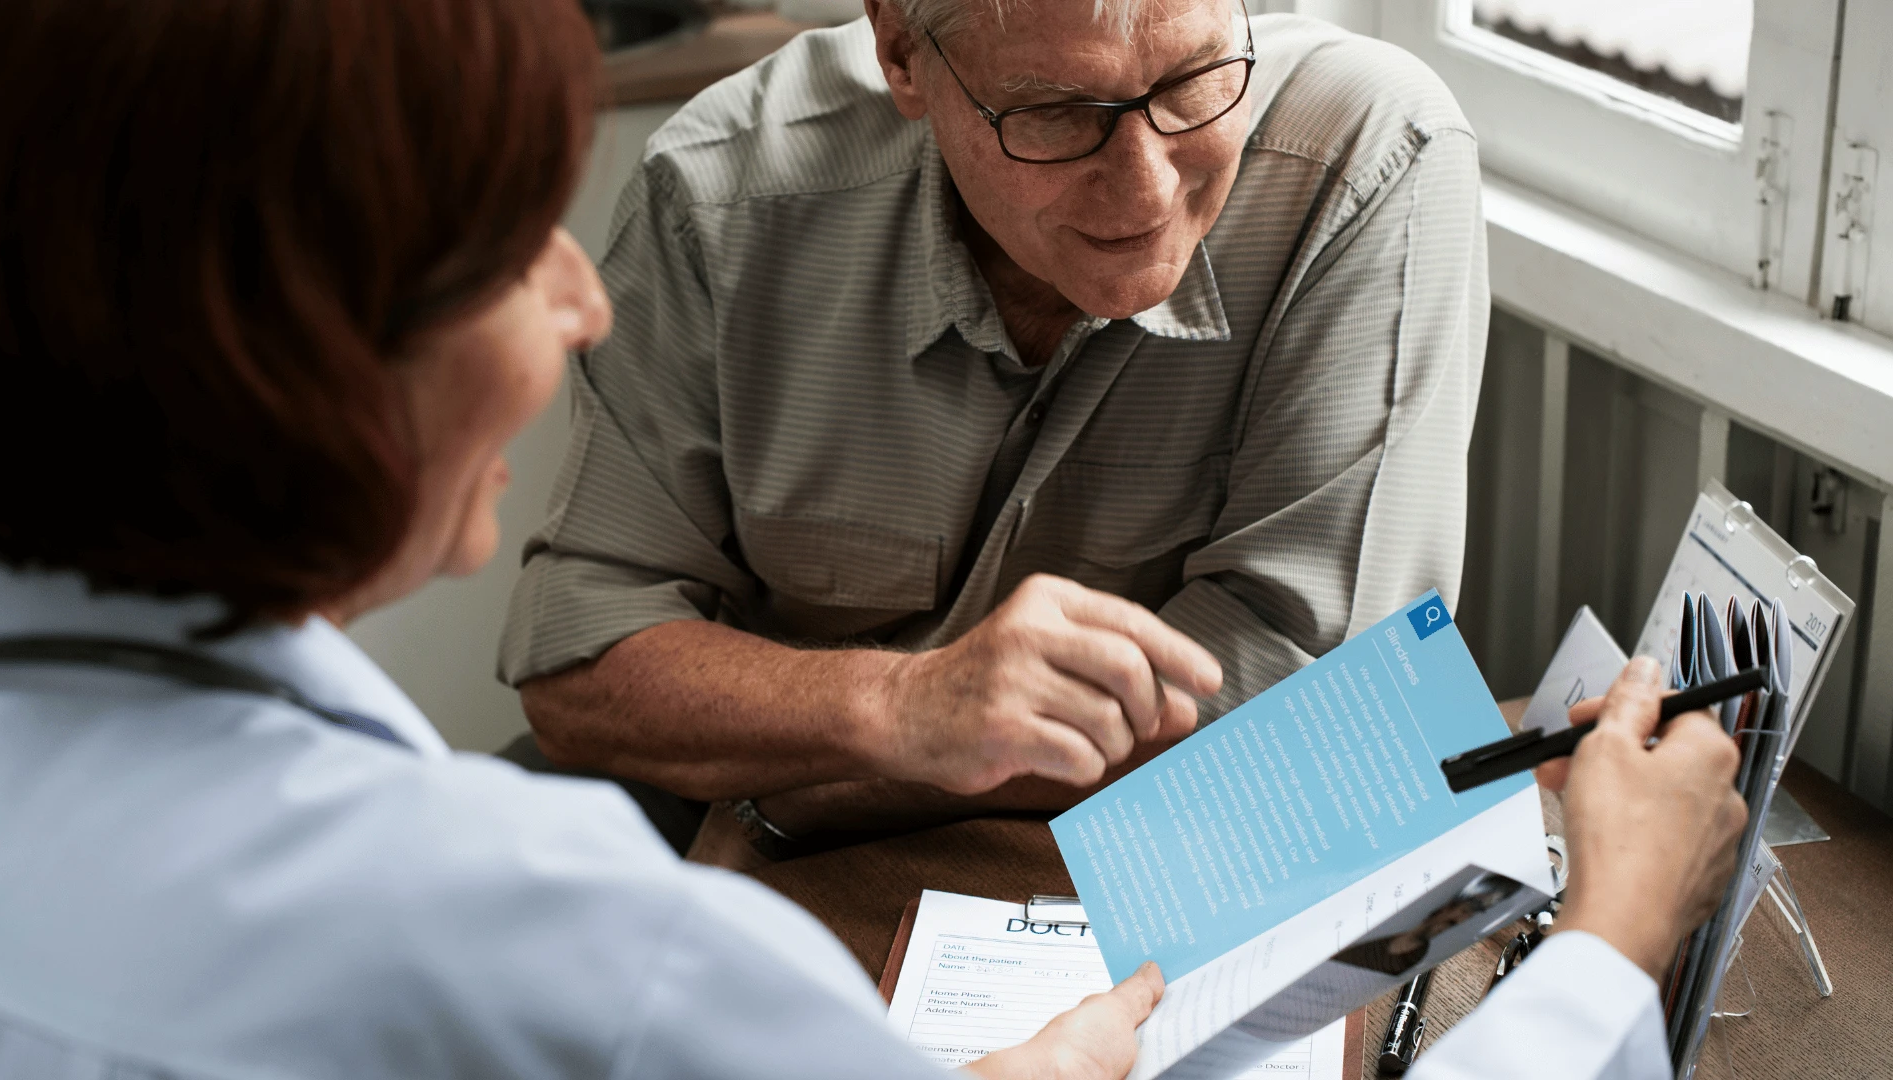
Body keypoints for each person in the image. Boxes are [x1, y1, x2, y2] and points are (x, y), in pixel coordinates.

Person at [0, 3, 1746, 1080]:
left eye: (1192, 84)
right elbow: (591, 713)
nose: (584, 307)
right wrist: (1608, 938)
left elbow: (1313, 695)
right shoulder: (594, 961)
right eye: (520, 245)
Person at [498, 0, 1491, 854]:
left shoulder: (1370, 157)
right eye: (1057, 114)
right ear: (901, 51)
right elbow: (577, 660)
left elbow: (1322, 713)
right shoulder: (722, 197)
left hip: (1136, 862)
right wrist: (900, 709)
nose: (1148, 193)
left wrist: (810, 760)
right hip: (739, 858)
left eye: (1193, 80)